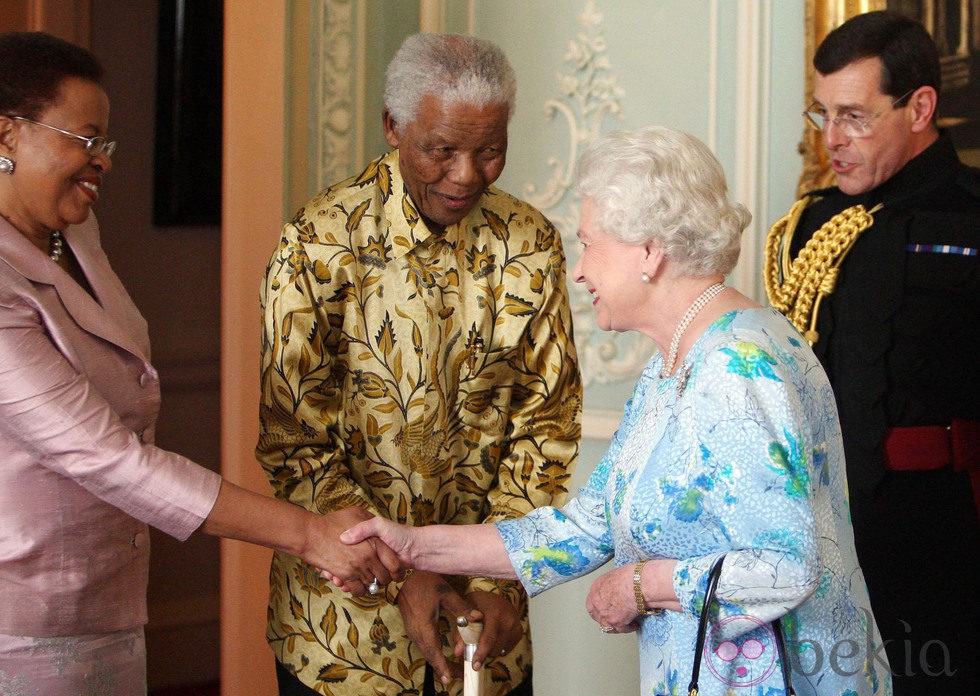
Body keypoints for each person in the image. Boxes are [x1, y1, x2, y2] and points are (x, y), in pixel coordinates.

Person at [342, 126, 892, 696]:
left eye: (589, 244)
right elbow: (587, 525)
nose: (579, 271)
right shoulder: (673, 361)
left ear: (649, 251)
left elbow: (785, 566)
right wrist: (412, 544)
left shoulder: (736, 370)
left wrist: (644, 585)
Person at [0, 31, 401, 695]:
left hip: (107, 600)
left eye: (106, 145)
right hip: (23, 621)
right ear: (9, 133)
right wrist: (308, 534)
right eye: (84, 138)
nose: (101, 162)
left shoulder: (73, 236)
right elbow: (106, 457)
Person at [256, 33, 582, 696]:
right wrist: (407, 573)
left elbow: (545, 428)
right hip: (345, 627)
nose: (467, 174)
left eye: (490, 150)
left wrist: (493, 579)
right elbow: (295, 440)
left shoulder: (530, 245)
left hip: (486, 625)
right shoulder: (320, 239)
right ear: (392, 127)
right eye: (443, 150)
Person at [764, 11, 979, 694]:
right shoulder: (809, 226)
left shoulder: (970, 216)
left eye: (854, 116)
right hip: (818, 539)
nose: (833, 140)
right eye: (821, 114)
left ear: (919, 108)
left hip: (945, 542)